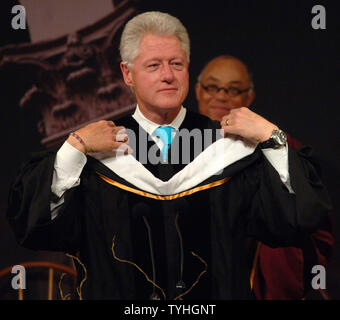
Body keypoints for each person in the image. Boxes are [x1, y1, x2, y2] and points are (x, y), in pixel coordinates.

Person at [7, 12, 332, 300]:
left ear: (188, 68)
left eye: (176, 64)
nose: (168, 75)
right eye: (153, 65)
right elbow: (37, 228)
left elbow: (295, 220)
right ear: (127, 73)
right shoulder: (97, 151)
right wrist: (73, 148)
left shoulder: (228, 146)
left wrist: (271, 137)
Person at [195, 55, 333, 299]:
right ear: (197, 90)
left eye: (233, 89)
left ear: (249, 97)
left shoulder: (278, 146)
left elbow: (311, 218)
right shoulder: (176, 146)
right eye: (212, 87)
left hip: (252, 277)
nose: (221, 95)